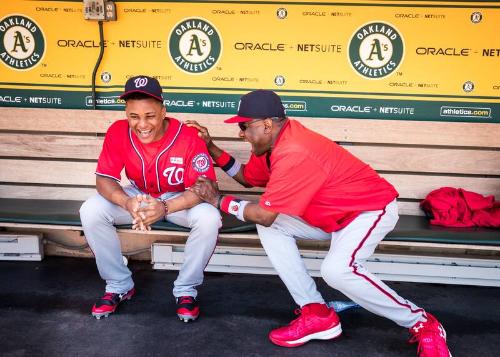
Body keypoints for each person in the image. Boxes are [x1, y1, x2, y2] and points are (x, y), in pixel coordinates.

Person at [186, 90, 451, 356]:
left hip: (366, 211)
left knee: (337, 270)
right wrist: (211, 147)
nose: (241, 133)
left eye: (244, 126)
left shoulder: (294, 149)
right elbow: (248, 178)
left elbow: (265, 213)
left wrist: (218, 200)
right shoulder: (271, 143)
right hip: (331, 215)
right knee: (272, 228)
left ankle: (422, 322)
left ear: (266, 125)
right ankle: (317, 313)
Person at [79, 75, 221, 322]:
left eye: (150, 115)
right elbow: (104, 179)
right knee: (91, 210)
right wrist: (126, 202)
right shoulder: (118, 131)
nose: (142, 124)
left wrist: (164, 207)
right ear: (126, 114)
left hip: (179, 198)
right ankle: (118, 285)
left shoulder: (187, 136)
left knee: (209, 218)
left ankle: (186, 291)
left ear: (163, 111)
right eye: (134, 116)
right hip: (137, 195)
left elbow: (203, 187)